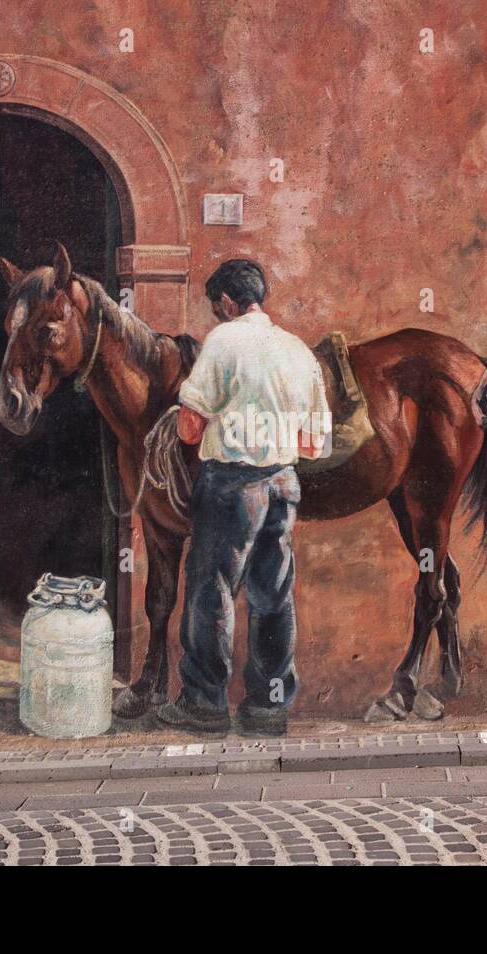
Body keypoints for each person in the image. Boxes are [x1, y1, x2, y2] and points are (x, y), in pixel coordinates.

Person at [155, 259, 330, 736]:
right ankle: (268, 706)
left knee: (212, 593)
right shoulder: (297, 351)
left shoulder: (224, 341)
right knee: (273, 596)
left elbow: (190, 430)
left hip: (231, 483)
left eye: (217, 307)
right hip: (283, 485)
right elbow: (314, 445)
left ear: (227, 302)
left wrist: (183, 419)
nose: (217, 315)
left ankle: (205, 705)